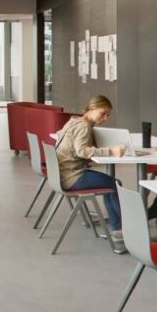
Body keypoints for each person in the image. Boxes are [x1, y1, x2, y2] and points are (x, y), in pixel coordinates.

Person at [54, 93, 123, 231]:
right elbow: (82, 151)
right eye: (103, 113)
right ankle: (120, 226)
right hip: (72, 177)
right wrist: (110, 151)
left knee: (111, 183)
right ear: (92, 108)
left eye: (108, 115)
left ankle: (116, 223)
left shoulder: (74, 120)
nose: (105, 118)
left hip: (60, 175)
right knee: (115, 183)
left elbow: (59, 135)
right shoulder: (84, 126)